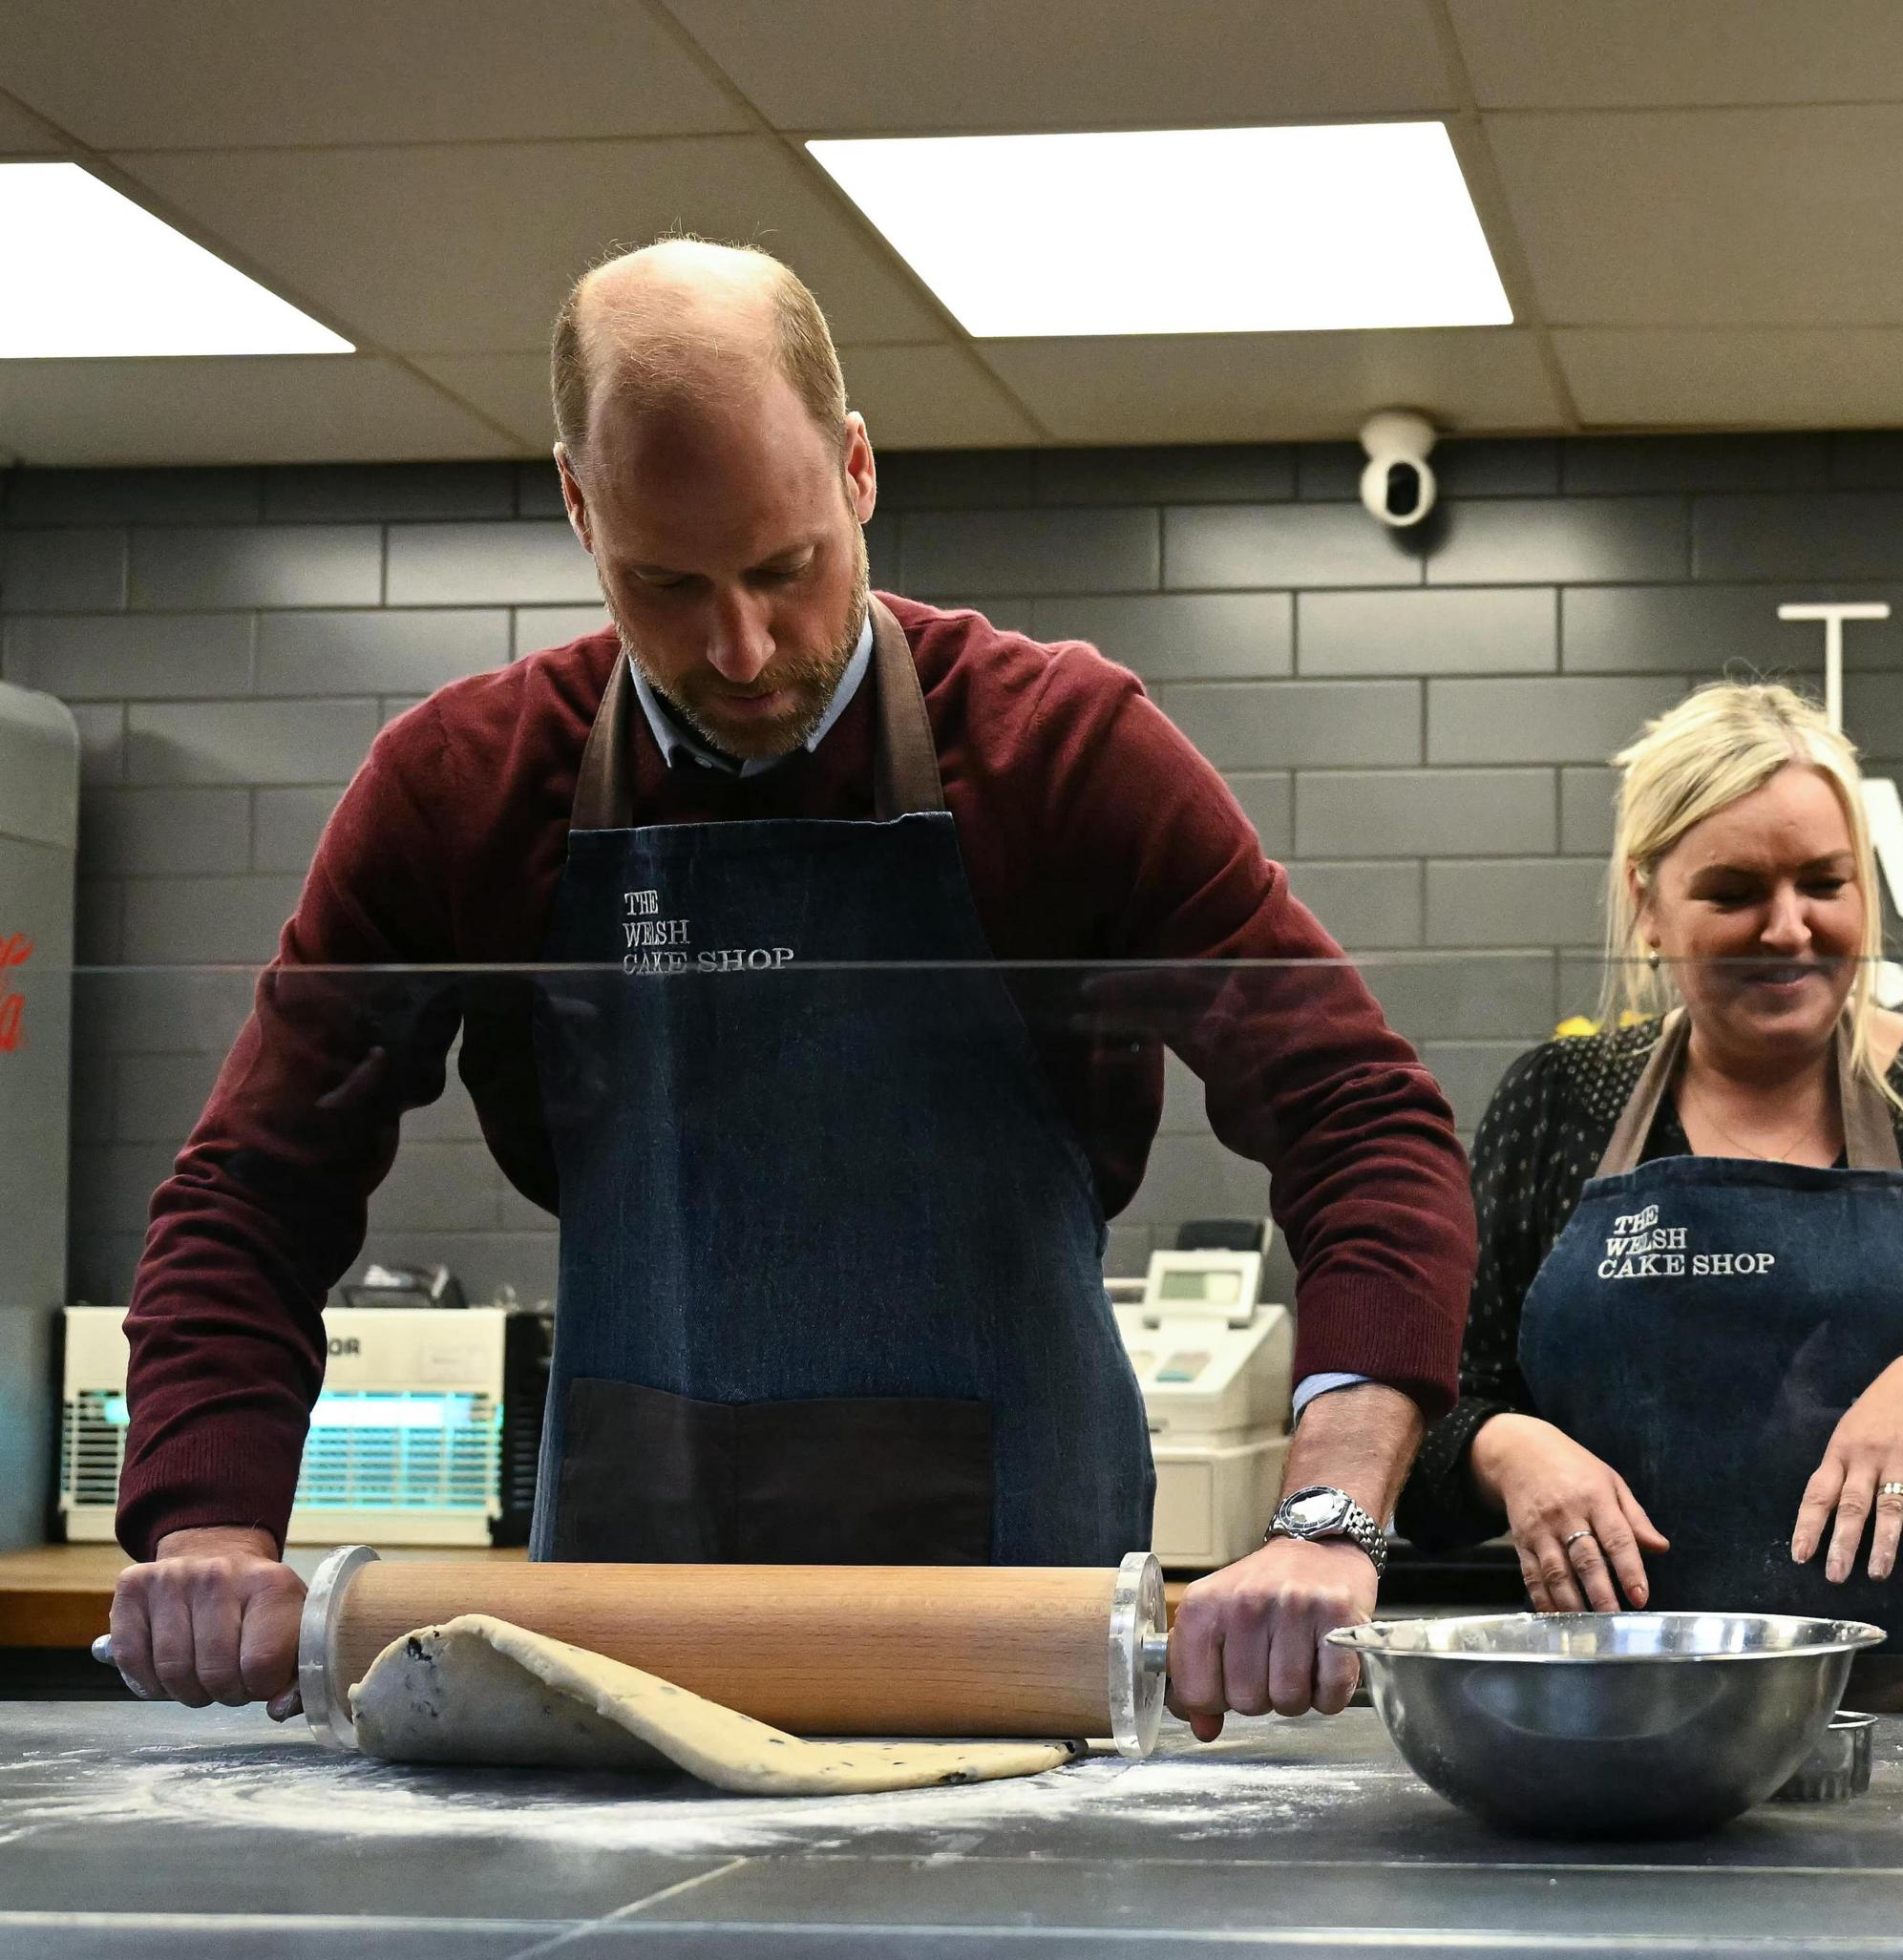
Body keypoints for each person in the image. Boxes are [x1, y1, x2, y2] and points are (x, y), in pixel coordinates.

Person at [102, 239, 1473, 1739]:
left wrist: (1328, 1509)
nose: (741, 646)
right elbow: (252, 1191)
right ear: (577, 506)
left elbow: (1361, 1118)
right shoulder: (461, 789)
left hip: (1019, 1622)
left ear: (859, 470)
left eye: (785, 566)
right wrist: (206, 1523)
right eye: (666, 584)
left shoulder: (1060, 751)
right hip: (624, 1628)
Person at [1397, 685, 1903, 1675]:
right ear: (1648, 904)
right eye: (1735, 892)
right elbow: (1429, 1424)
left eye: (1824, 883)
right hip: (1613, 1710)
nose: (1789, 928)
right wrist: (1511, 1451)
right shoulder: (1564, 1099)